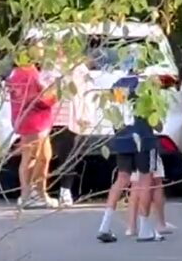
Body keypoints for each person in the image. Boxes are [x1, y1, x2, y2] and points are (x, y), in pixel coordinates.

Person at [97, 70, 161, 243]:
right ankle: (145, 228)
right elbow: (157, 120)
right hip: (144, 138)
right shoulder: (146, 86)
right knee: (145, 180)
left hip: (123, 136)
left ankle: (105, 224)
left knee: (122, 178)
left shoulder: (117, 85)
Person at [8, 40, 58, 209]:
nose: (42, 50)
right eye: (39, 47)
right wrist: (52, 95)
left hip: (38, 120)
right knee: (31, 156)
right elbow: (33, 99)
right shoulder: (25, 72)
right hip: (32, 121)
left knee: (44, 157)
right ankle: (26, 194)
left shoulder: (29, 70)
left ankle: (40, 193)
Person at [49, 47, 90, 207]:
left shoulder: (79, 68)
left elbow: (86, 94)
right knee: (45, 157)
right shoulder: (48, 67)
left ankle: (65, 190)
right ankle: (39, 190)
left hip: (69, 119)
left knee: (68, 156)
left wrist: (85, 116)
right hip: (49, 118)